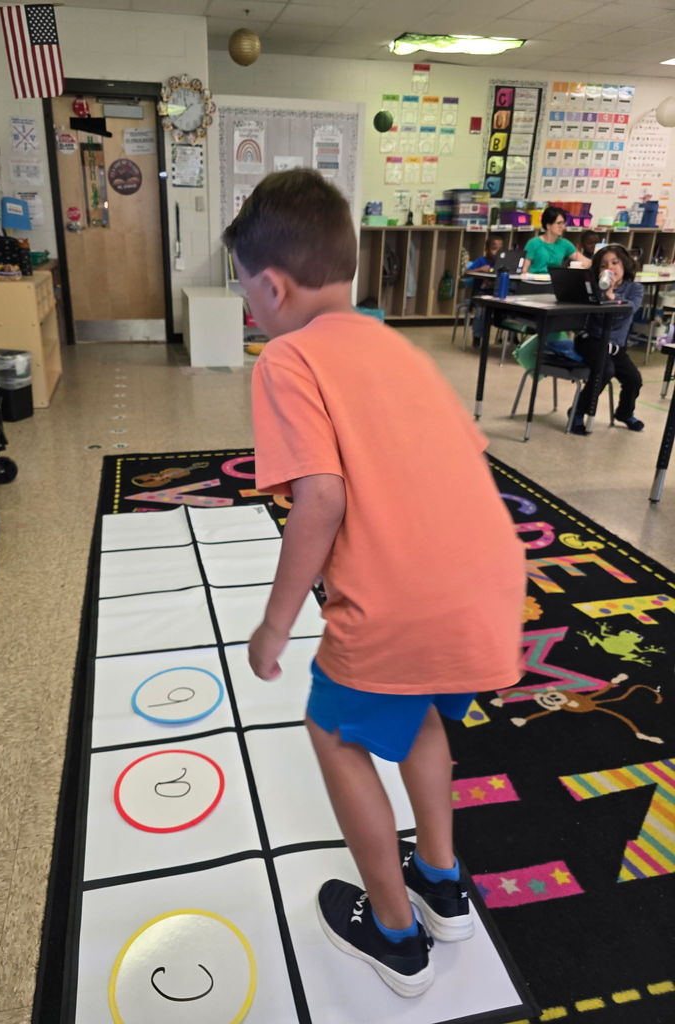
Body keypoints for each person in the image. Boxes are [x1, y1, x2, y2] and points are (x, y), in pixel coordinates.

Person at [223, 169, 525, 998]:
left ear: (273, 285)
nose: (254, 311)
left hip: (406, 605)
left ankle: (395, 935)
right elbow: (465, 459)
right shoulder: (401, 348)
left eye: (249, 296)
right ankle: (439, 879)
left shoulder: (286, 359)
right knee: (422, 707)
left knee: (335, 732)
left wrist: (276, 626)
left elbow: (321, 498)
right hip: (492, 588)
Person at [569, 244, 645, 434]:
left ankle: (624, 413)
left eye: (614, 263)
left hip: (616, 346)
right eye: (603, 265)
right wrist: (602, 293)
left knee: (634, 379)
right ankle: (578, 411)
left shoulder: (635, 288)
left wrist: (611, 295)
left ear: (625, 264)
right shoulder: (593, 288)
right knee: (604, 370)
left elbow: (628, 309)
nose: (609, 268)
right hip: (591, 341)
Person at [521, 206, 591, 274]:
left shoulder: (565, 244)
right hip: (534, 281)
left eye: (563, 223)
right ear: (548, 225)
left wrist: (580, 266)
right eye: (559, 223)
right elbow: (524, 270)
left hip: (554, 282)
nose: (562, 227)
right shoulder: (533, 243)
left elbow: (586, 262)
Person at [466, 235, 504, 348]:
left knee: (511, 309)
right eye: (494, 248)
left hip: (497, 294)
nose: (496, 252)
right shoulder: (481, 261)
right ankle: (477, 336)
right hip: (481, 294)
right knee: (481, 312)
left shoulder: (503, 263)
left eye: (500, 249)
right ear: (486, 249)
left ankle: (511, 336)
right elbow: (466, 272)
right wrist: (479, 269)